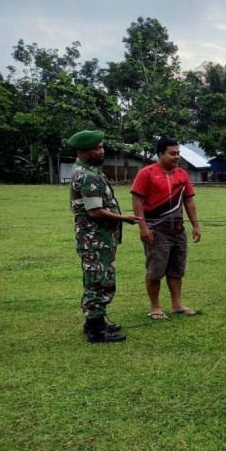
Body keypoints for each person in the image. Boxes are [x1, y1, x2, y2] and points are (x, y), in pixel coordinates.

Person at [69, 130, 141, 343]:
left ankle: (96, 322)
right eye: (96, 148)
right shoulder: (87, 176)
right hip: (95, 239)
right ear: (82, 152)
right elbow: (95, 212)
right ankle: (96, 331)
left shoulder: (87, 170)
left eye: (102, 147)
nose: (102, 151)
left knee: (101, 279)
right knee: (97, 281)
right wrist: (123, 218)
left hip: (99, 238)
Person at [130, 137, 202, 320]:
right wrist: (143, 227)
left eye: (178, 153)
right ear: (161, 153)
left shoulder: (182, 174)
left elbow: (188, 200)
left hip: (178, 230)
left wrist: (195, 225)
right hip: (156, 230)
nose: (177, 157)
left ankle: (177, 305)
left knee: (177, 269)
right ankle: (155, 307)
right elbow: (137, 200)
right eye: (172, 153)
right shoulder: (146, 173)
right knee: (155, 270)